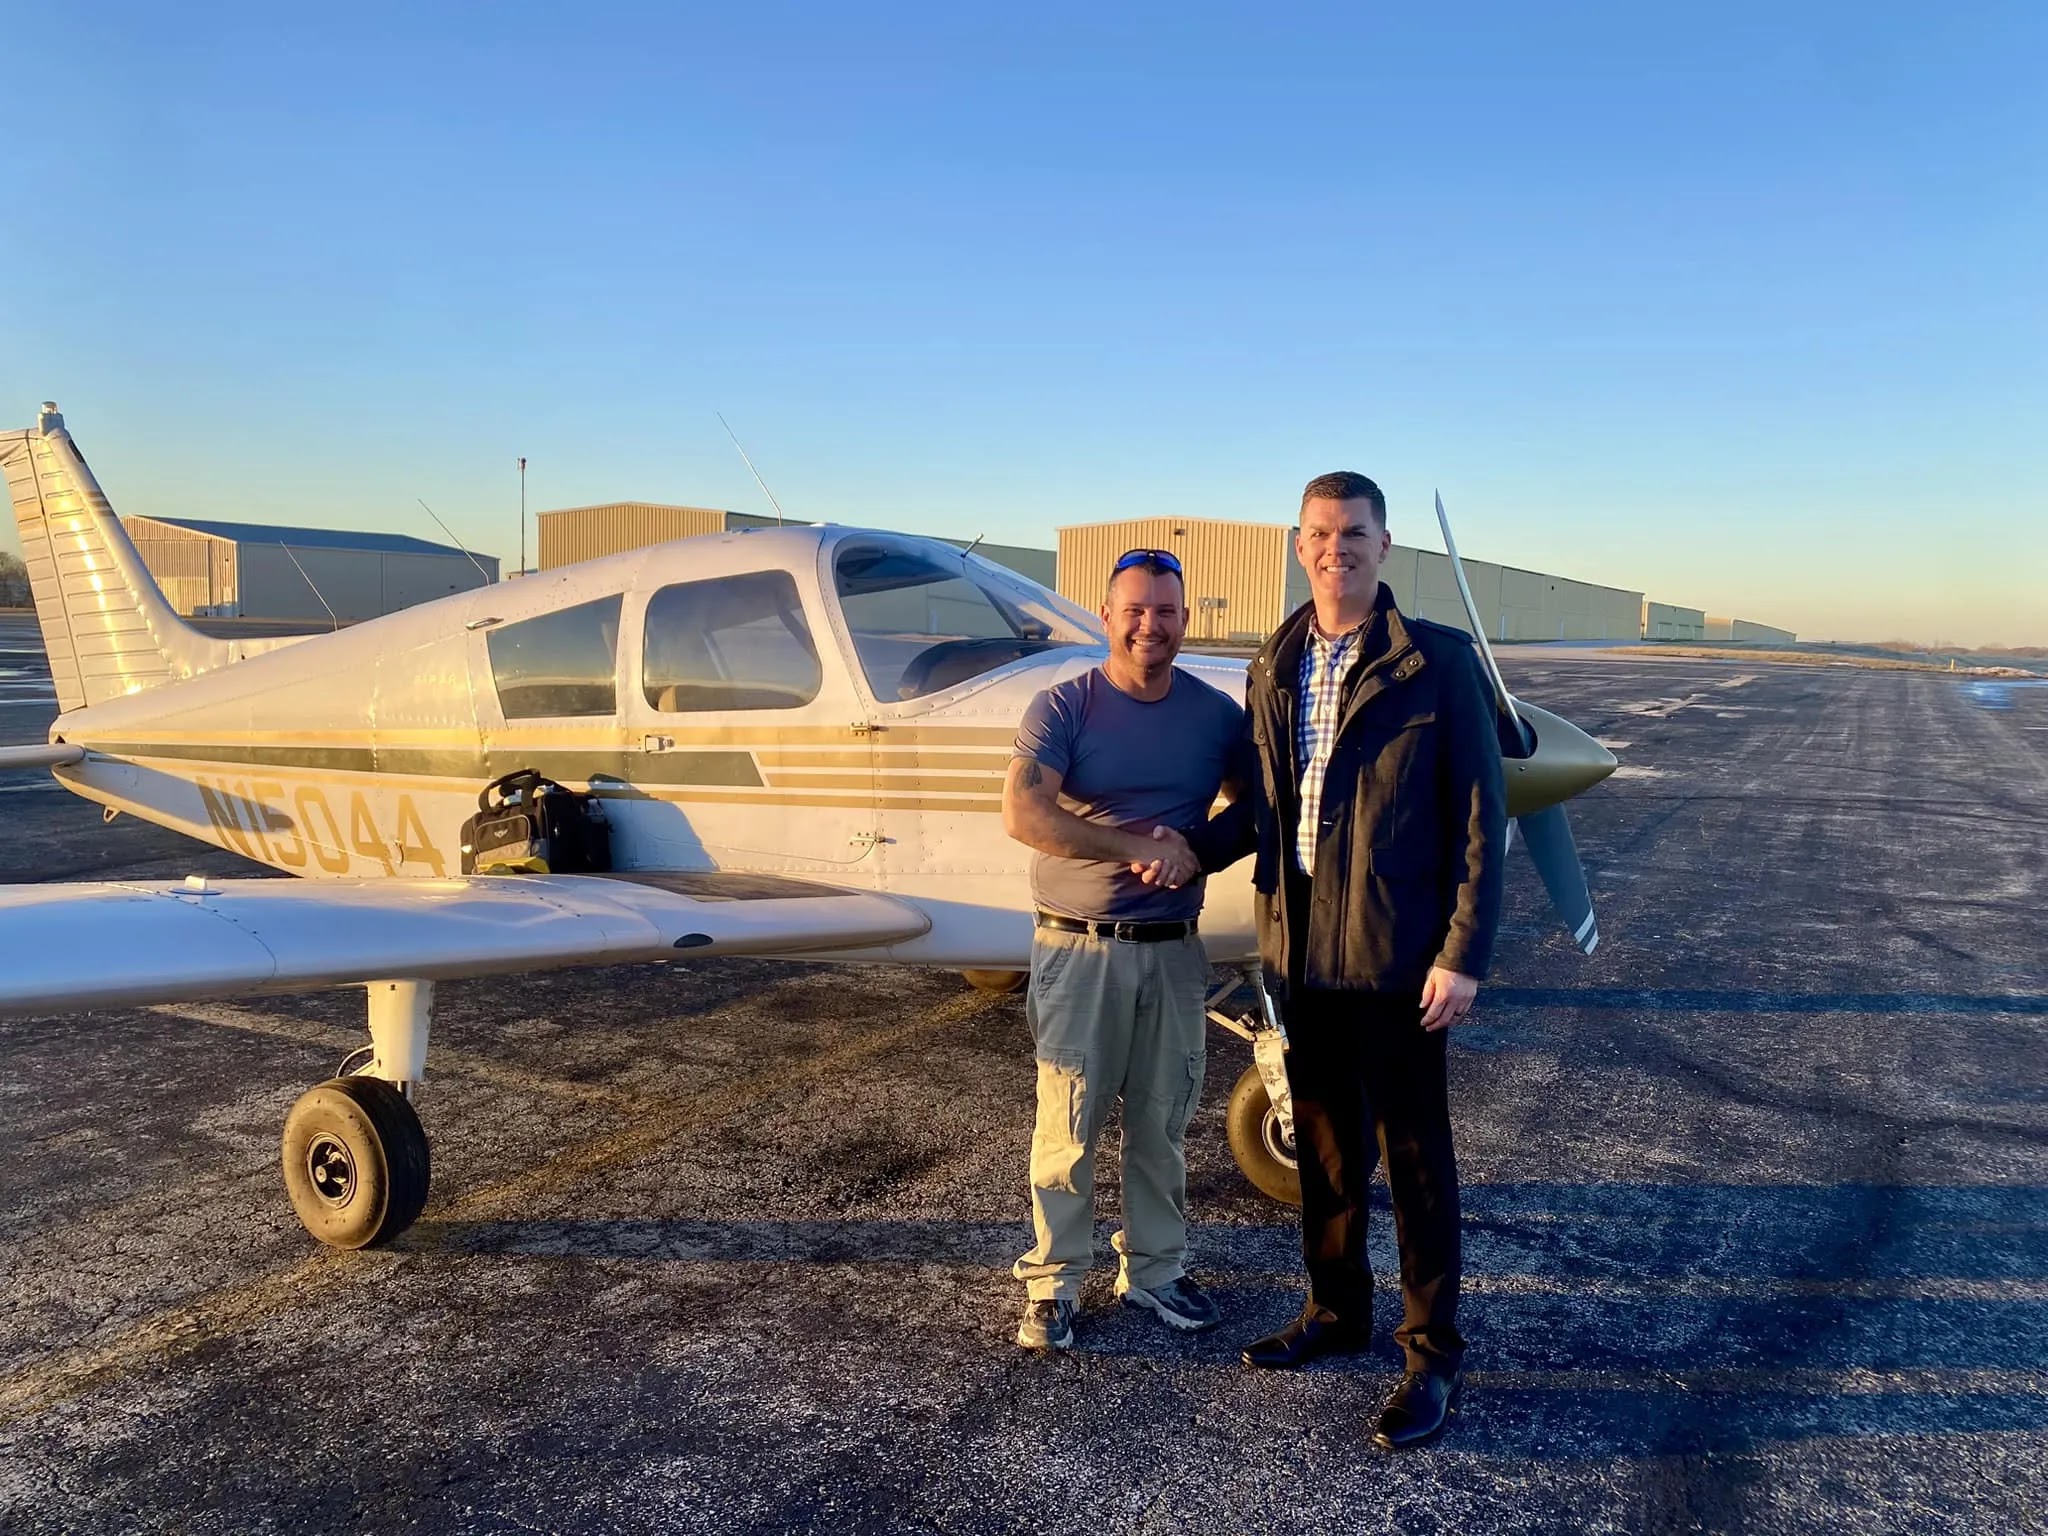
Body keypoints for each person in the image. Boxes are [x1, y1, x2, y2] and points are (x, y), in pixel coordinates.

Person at [1184, 473, 1506, 1448]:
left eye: (1354, 532)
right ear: (1299, 545)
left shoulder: (1436, 663)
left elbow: (1479, 816)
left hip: (1398, 954)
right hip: (1299, 949)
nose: (1337, 548)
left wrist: (1461, 953)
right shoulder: (1273, 664)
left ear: (1383, 544)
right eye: (1320, 533)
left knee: (1414, 1159)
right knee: (1324, 1147)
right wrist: (1182, 855)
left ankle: (1429, 1353)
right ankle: (1334, 1312)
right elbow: (1259, 806)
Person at [1002, 548, 1246, 1352]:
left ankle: (1155, 1270)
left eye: (1166, 611)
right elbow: (1026, 815)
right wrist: (1136, 847)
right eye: (1135, 610)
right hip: (1081, 950)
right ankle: (1053, 1281)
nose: (1151, 625)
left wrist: (1194, 852)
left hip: (1174, 950)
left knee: (1162, 1122)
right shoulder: (1064, 705)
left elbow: (1256, 808)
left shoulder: (1215, 717)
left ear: (1185, 620)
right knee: (1068, 1122)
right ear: (1106, 616)